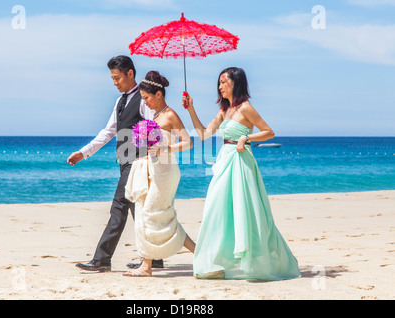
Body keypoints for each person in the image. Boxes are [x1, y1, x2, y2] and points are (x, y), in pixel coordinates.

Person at [183, 67, 301, 280]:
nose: (220, 87)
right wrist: (191, 109)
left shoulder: (246, 108)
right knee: (217, 210)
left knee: (246, 211)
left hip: (241, 162)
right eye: (218, 83)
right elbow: (202, 134)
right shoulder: (223, 111)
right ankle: (218, 261)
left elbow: (268, 132)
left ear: (235, 83)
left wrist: (246, 138)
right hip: (225, 161)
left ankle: (253, 262)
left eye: (223, 82)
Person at [67, 55, 164, 272]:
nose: (114, 82)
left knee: (119, 208)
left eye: (117, 77)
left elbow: (155, 129)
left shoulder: (144, 98)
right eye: (112, 78)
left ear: (130, 74)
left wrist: (152, 160)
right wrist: (84, 152)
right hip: (125, 161)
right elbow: (109, 131)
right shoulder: (120, 101)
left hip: (139, 162)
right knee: (138, 210)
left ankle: (102, 259)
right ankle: (155, 256)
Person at [123, 71, 195, 277]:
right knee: (154, 215)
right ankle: (198, 253)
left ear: (159, 94)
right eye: (143, 98)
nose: (145, 102)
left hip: (166, 172)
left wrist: (165, 150)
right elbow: (157, 146)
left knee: (151, 214)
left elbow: (188, 142)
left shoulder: (170, 114)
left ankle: (147, 266)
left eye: (147, 98)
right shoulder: (155, 116)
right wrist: (146, 157)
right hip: (154, 170)